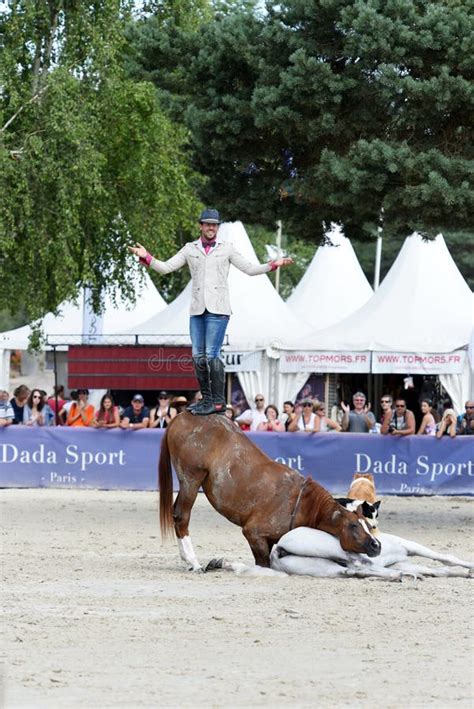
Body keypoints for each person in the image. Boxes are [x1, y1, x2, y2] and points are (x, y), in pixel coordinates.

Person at [130, 209, 292, 415]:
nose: (210, 228)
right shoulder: (190, 248)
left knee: (211, 355)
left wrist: (272, 265)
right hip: (197, 310)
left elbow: (250, 269)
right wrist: (147, 257)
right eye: (207, 224)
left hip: (218, 309)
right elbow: (166, 267)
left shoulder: (227, 248)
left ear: (218, 227)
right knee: (197, 356)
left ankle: (217, 400)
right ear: (200, 226)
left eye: (214, 225)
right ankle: (206, 399)